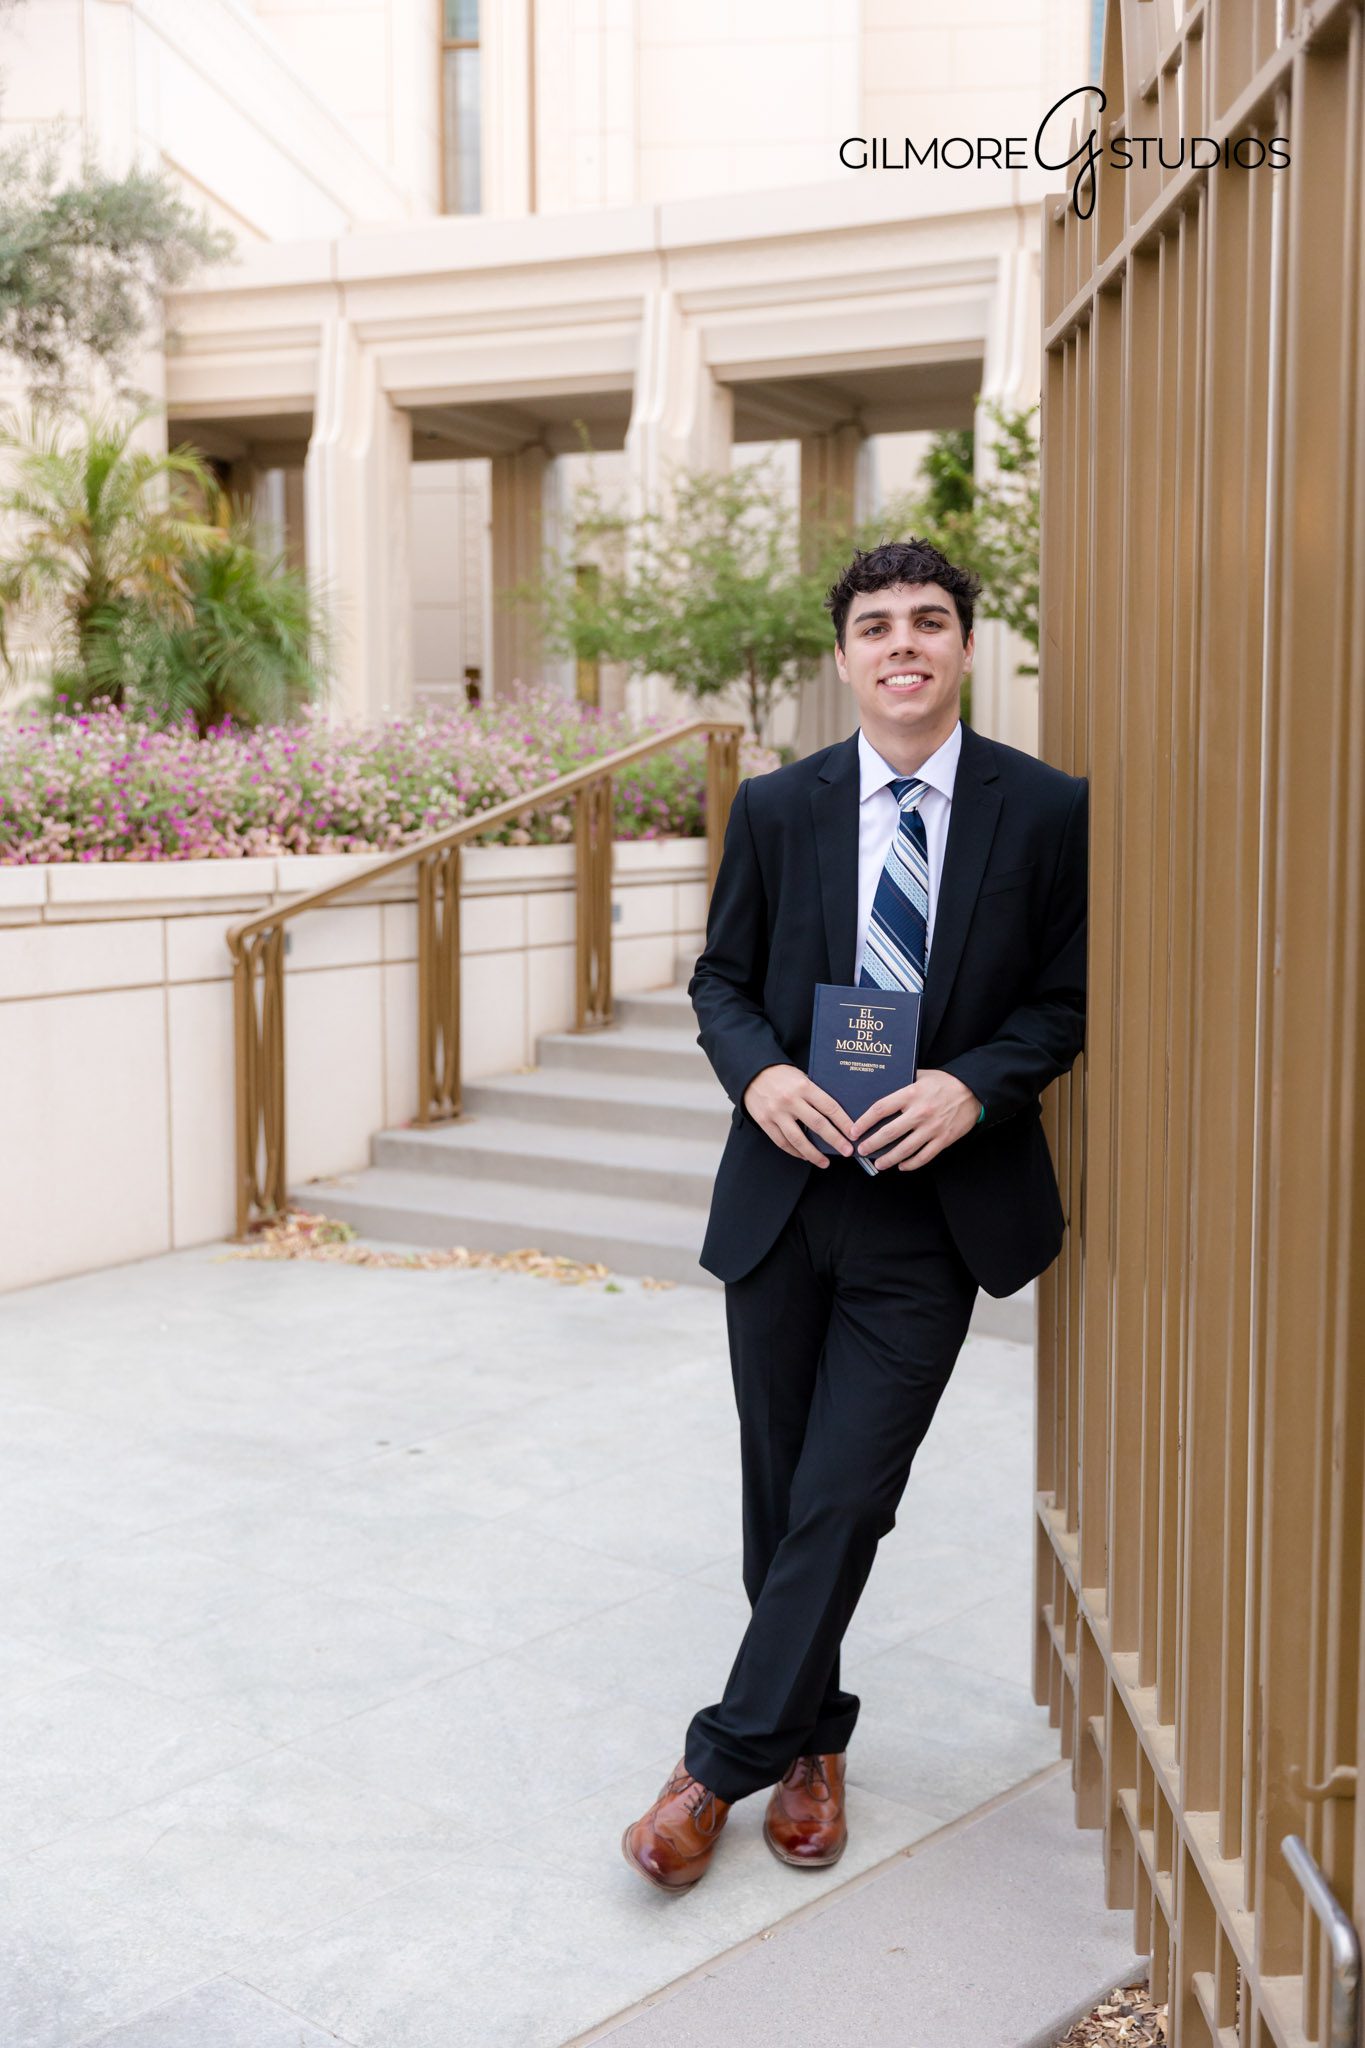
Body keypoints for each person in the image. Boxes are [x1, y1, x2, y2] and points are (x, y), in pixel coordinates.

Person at [620, 537, 1089, 1894]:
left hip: (931, 1214)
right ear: (845, 657)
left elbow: (1061, 1002)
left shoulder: (1044, 809)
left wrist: (973, 1085)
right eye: (876, 625)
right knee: (782, 1495)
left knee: (845, 1494)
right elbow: (720, 981)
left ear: (963, 648)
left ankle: (714, 1768)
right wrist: (760, 1074)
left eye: (928, 621)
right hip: (786, 1193)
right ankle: (812, 1744)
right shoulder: (779, 808)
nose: (902, 644)